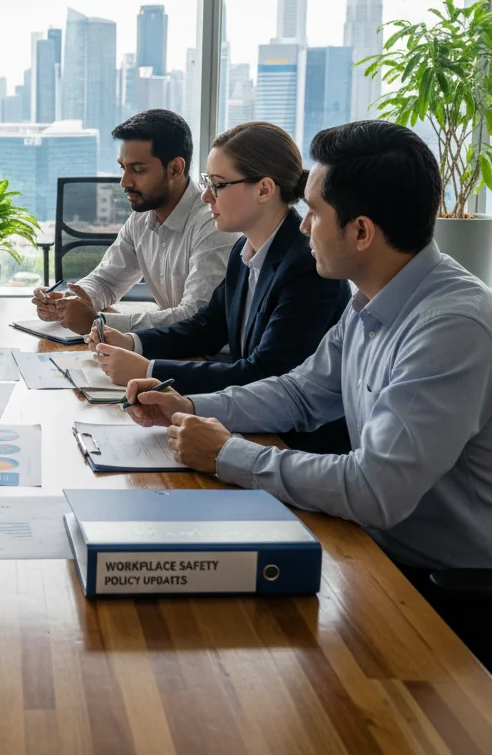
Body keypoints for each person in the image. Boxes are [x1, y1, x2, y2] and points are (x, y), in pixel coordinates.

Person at [123, 121, 492, 666]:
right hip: (367, 553)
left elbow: (374, 490)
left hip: (438, 594)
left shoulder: (449, 327)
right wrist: (190, 405)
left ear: (361, 232)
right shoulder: (372, 298)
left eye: (315, 213)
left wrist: (228, 453)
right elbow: (301, 393)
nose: (303, 228)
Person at [89, 122, 350, 453]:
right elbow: (208, 327)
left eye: (219, 184)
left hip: (297, 448)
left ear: (264, 189)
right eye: (207, 183)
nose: (205, 196)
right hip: (253, 429)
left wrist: (150, 368)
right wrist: (134, 342)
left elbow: (265, 372)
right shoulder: (244, 253)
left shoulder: (307, 266)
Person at [32, 110, 240, 334]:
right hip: (169, 349)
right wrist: (71, 301)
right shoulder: (142, 218)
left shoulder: (213, 225)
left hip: (211, 358)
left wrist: (99, 322)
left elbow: (196, 317)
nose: (124, 182)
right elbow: (107, 281)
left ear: (175, 169)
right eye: (123, 168)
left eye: (138, 170)